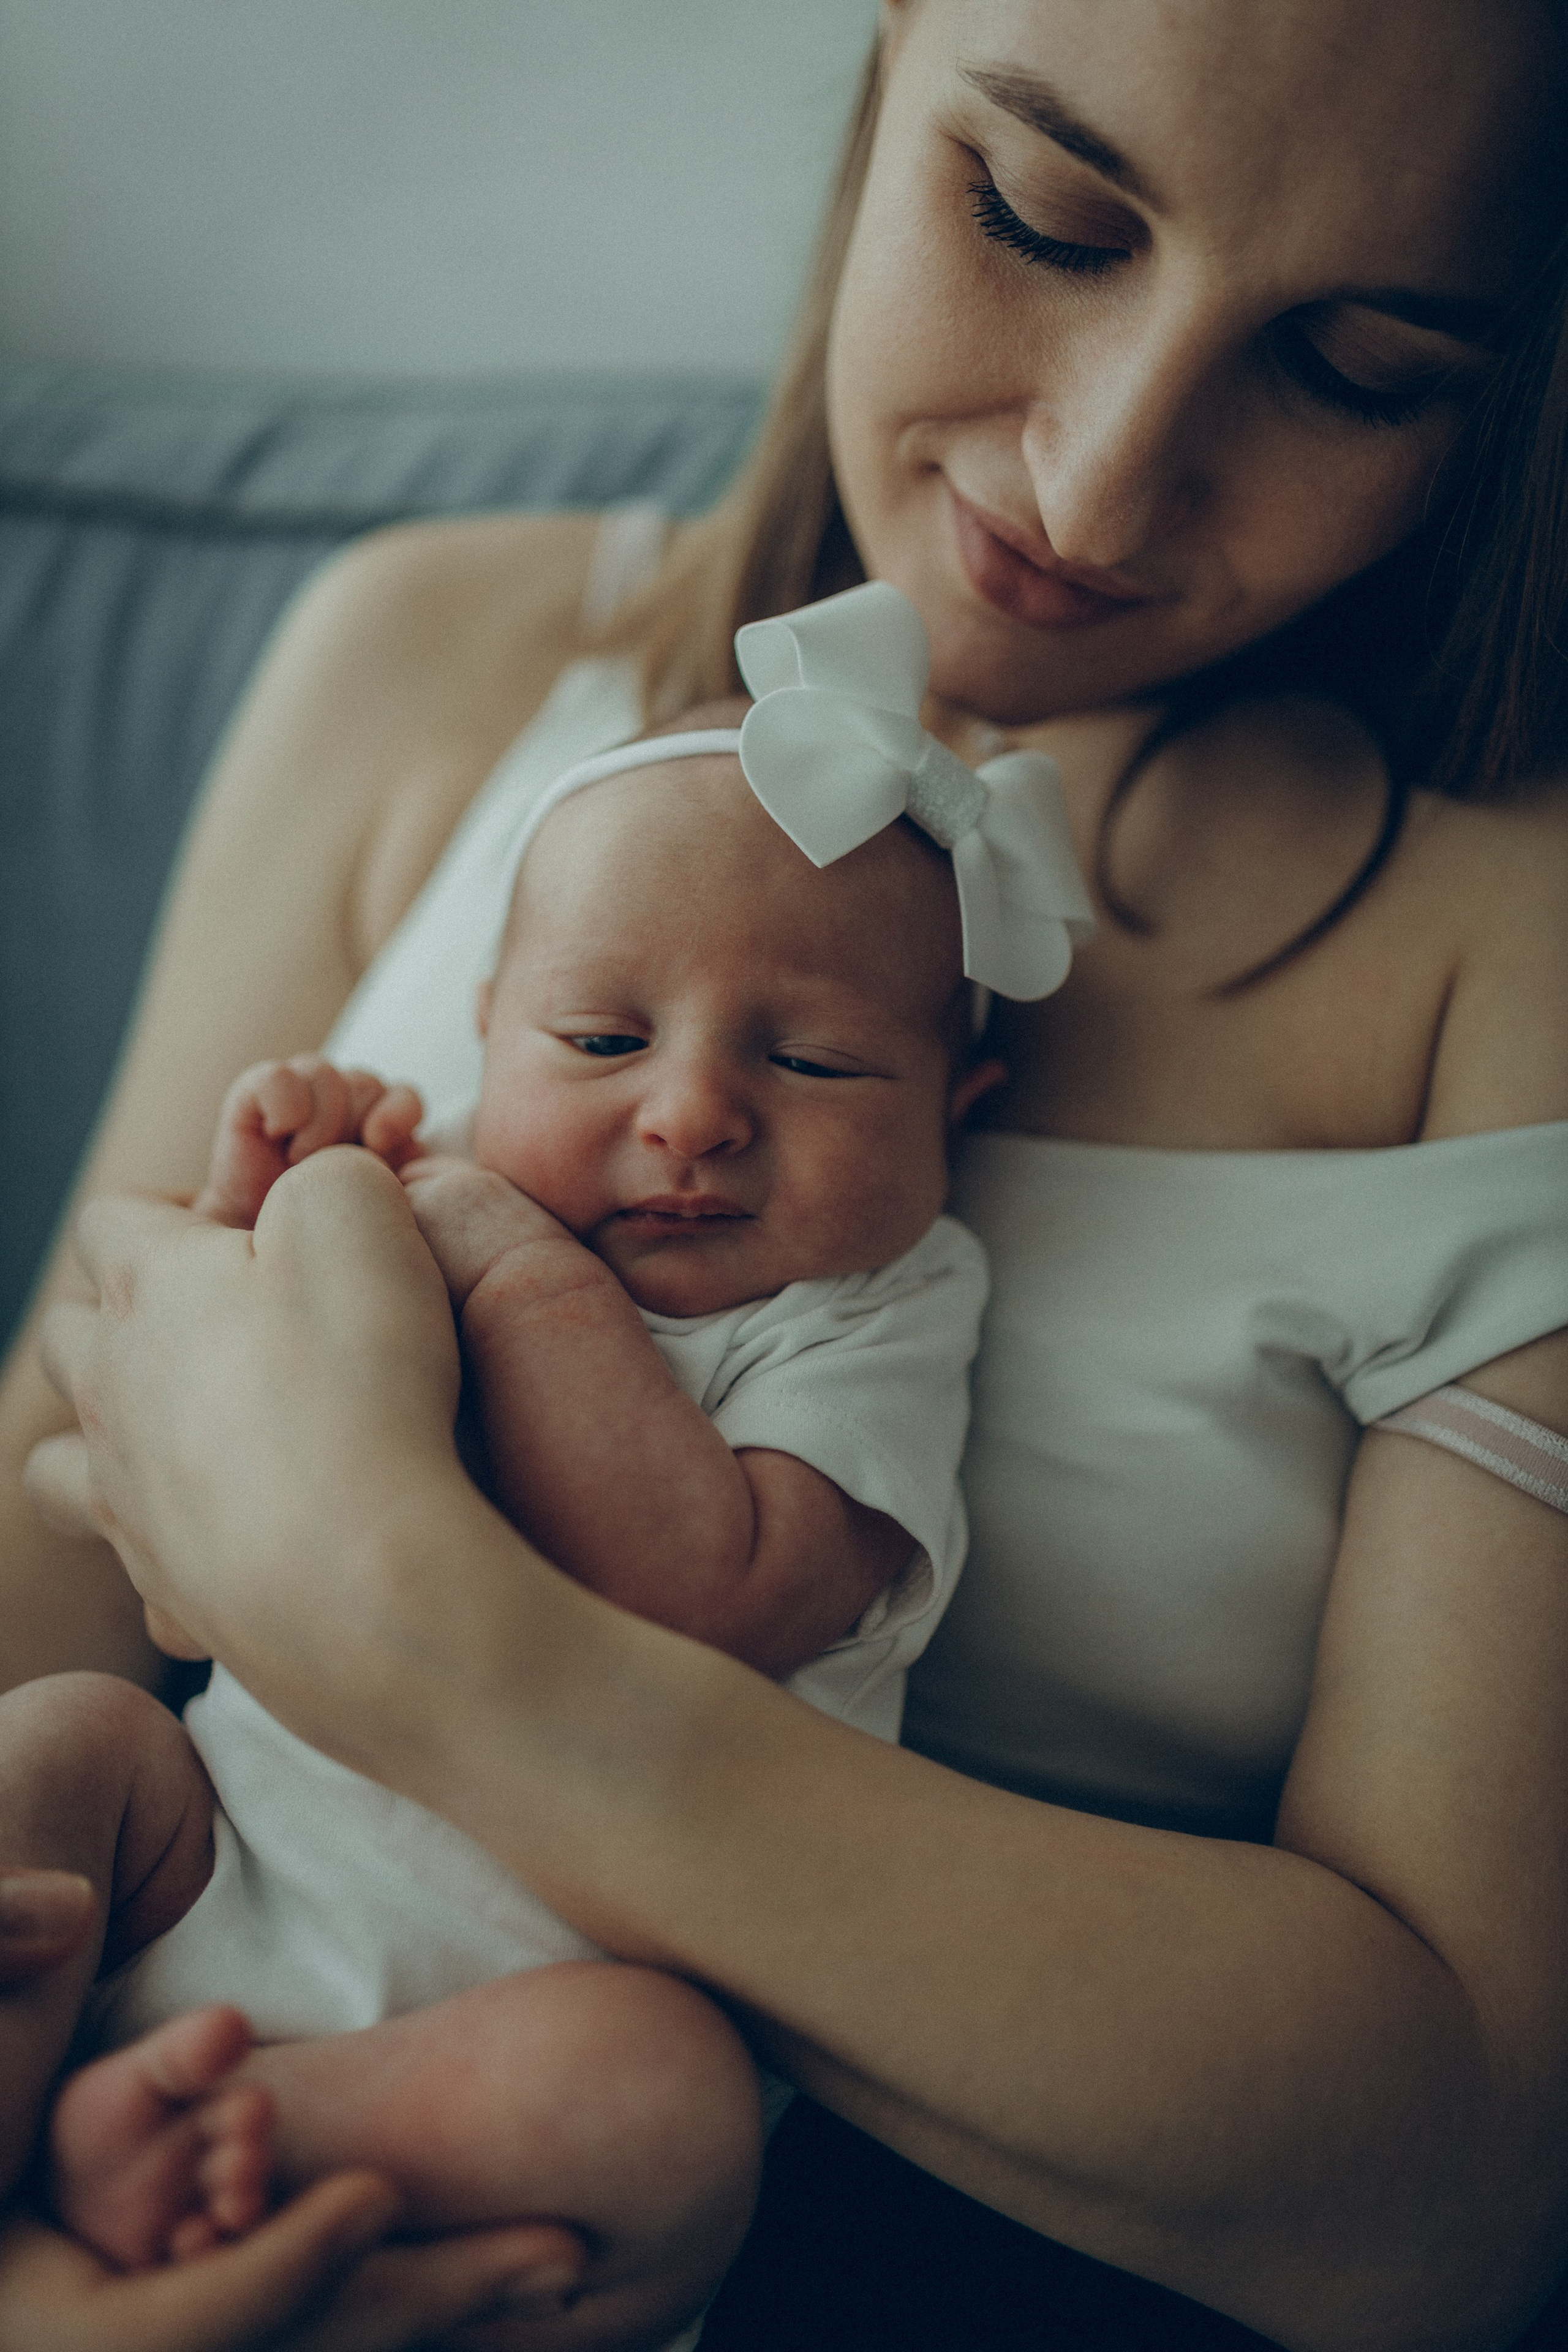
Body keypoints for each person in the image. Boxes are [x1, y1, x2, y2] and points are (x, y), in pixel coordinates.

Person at [5, 1, 1568, 2346]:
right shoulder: (434, 658)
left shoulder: (1516, 948)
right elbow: (59, 1482)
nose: (1102, 478)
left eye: (1354, 366)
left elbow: (1449, 2188)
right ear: (883, 69)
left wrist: (417, 1628)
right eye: (1042, 215)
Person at [4, 595, 1088, 2348]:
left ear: (957, 1108)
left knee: (660, 2096)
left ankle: (210, 2149)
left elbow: (708, 1588)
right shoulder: (436, 1176)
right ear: (490, 1026)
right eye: (600, 1043)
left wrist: (508, 1267)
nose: (690, 1117)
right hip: (204, 1863)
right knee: (66, 1738)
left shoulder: (870, 1318)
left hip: (531, 2017)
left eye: (811, 1061)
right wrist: (264, 1207)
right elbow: (201, 1429)